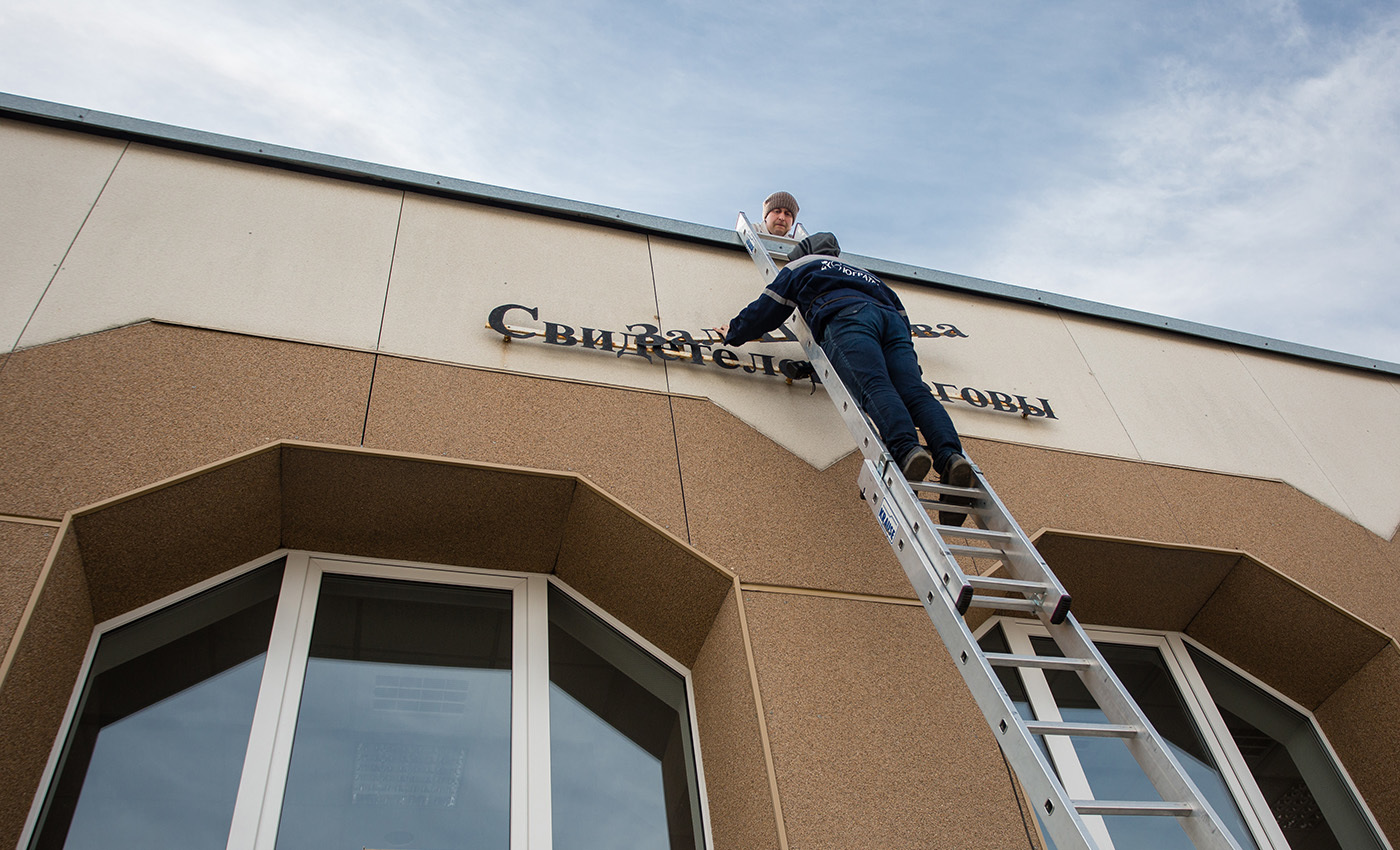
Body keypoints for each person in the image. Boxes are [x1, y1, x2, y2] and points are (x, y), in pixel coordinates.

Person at [718, 232, 973, 523]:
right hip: (892, 324)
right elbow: (902, 317)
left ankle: (907, 451)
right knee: (915, 392)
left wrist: (735, 331)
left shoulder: (803, 265)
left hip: (847, 317)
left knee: (875, 384)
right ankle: (951, 458)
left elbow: (769, 307)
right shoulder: (869, 276)